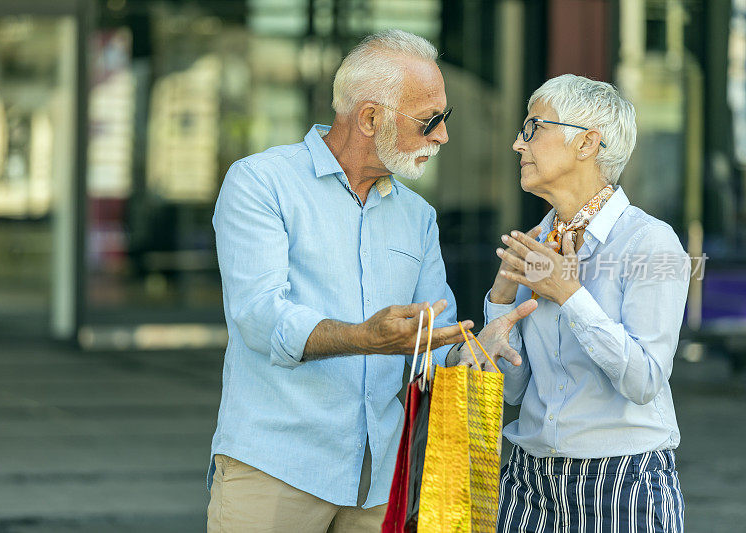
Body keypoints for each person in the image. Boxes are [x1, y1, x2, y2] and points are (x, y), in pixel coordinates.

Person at [206, 29, 536, 532]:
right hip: (275, 470)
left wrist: (469, 347)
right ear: (369, 118)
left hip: (382, 482)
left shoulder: (419, 216)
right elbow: (259, 319)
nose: (443, 136)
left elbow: (431, 334)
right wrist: (366, 339)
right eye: (431, 121)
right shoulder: (261, 183)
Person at [474, 74, 689, 532]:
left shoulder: (651, 243)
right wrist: (500, 299)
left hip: (623, 484)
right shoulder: (539, 243)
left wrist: (569, 295)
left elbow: (645, 380)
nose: (517, 143)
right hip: (529, 482)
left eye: (533, 127)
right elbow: (514, 392)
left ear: (587, 144)